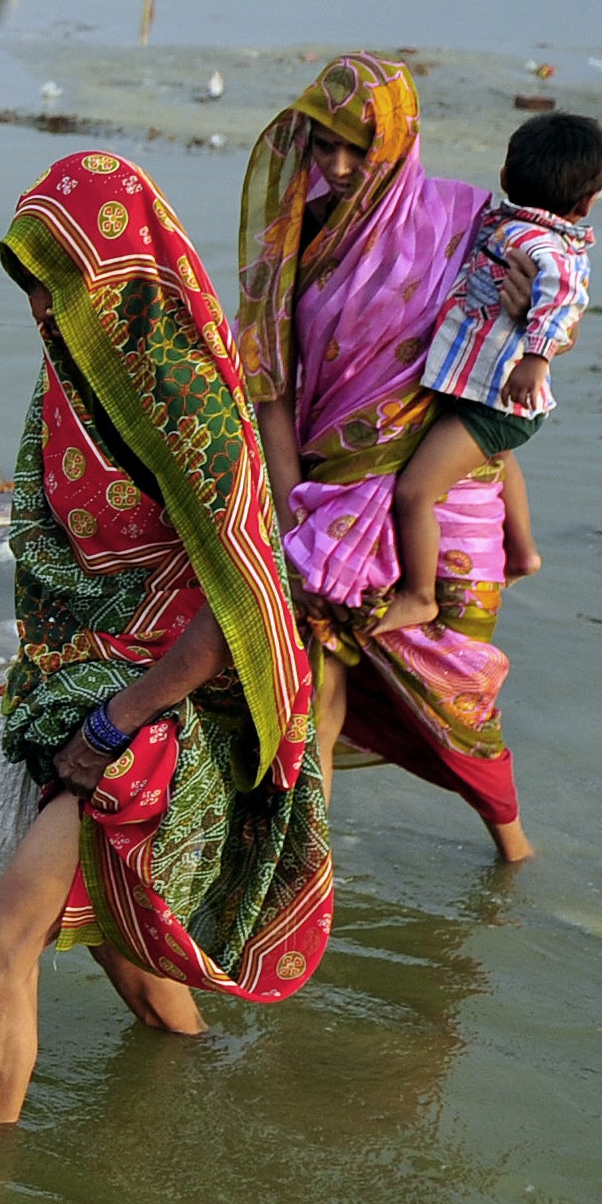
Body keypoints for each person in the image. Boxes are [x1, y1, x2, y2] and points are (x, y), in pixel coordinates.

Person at [0, 153, 329, 1130]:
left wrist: (112, 724)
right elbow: (65, 559)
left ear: (111, 275)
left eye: (57, 284)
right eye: (28, 286)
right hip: (84, 695)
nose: (40, 308)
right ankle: (215, 1117)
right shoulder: (72, 381)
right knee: (125, 953)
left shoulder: (187, 399)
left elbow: (244, 601)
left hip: (166, 714)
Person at [229, 54, 534, 859]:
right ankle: (305, 875)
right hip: (325, 501)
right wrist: (295, 516)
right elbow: (270, 388)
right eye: (321, 145)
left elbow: (505, 368)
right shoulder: (295, 236)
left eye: (355, 149)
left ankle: (515, 853)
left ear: (397, 141)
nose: (334, 166)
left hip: (446, 502)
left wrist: (525, 308)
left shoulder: (470, 224)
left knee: (459, 694)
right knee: (314, 699)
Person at [383, 113, 602, 638]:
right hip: (492, 397)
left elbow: (565, 299)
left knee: (414, 493)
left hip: (494, 402)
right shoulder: (509, 227)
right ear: (588, 201)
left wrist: (537, 357)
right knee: (501, 458)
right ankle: (523, 552)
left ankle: (418, 596)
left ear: (505, 175)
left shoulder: (543, 248)